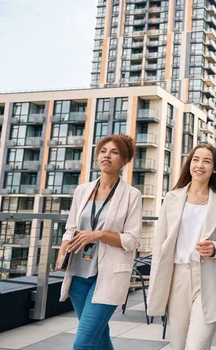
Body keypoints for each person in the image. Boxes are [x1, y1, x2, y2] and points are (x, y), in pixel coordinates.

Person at [147, 143, 216, 350]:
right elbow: (160, 247)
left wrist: (215, 248)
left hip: (208, 279)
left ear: (215, 168)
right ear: (189, 164)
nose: (200, 165)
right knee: (178, 346)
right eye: (196, 160)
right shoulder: (171, 198)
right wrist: (156, 285)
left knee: (197, 346)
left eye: (207, 161)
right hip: (177, 278)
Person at [56, 134, 142, 350]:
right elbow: (71, 228)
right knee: (99, 336)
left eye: (114, 152)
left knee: (83, 342)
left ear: (124, 160)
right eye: (103, 151)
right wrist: (64, 245)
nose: (107, 156)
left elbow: (132, 240)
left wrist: (99, 234)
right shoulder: (82, 190)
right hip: (78, 274)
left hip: (109, 276)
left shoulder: (132, 195)